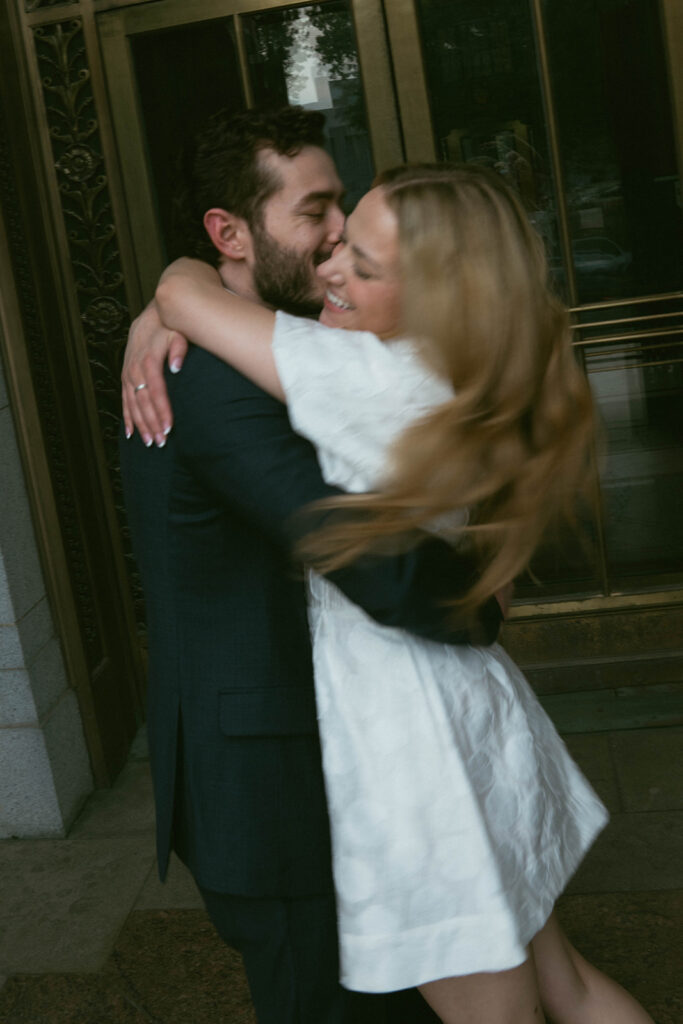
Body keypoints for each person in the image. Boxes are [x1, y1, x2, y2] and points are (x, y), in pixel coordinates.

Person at [124, 162, 655, 1024]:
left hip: (413, 752)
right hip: (475, 711)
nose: (331, 265)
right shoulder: (462, 370)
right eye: (338, 240)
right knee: (568, 982)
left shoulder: (368, 379)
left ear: (435, 294)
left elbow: (185, 294)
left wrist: (159, 309)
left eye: (361, 264)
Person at [120, 109, 504, 1024]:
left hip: (312, 757)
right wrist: (483, 604)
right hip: (267, 789)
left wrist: (171, 289)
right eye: (314, 211)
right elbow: (364, 555)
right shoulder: (210, 378)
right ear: (228, 233)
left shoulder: (258, 337)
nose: (337, 233)